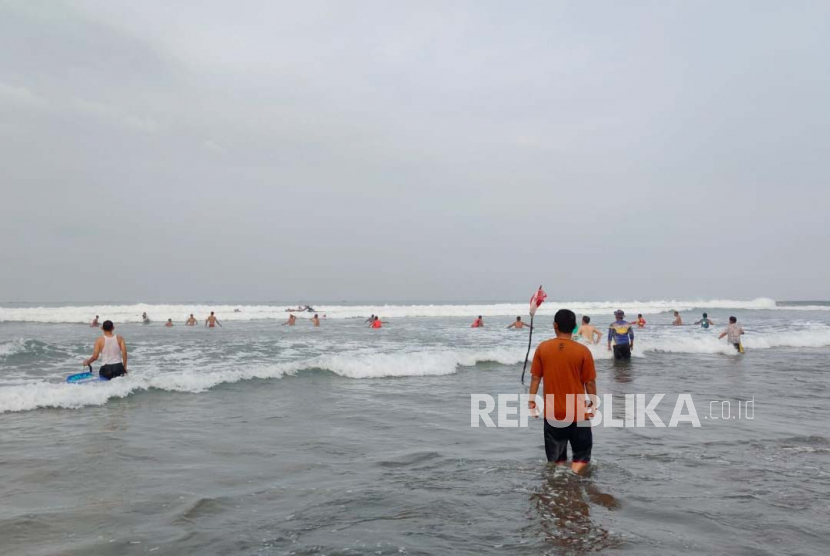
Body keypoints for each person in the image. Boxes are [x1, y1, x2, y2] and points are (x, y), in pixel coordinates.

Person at [528, 309, 597, 474]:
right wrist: (593, 404)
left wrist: (531, 401)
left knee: (557, 460)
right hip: (578, 413)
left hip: (553, 414)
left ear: (555, 325)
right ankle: (574, 479)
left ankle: (560, 486)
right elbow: (590, 382)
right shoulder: (583, 351)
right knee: (581, 457)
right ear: (574, 327)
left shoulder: (543, 348)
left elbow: (535, 378)